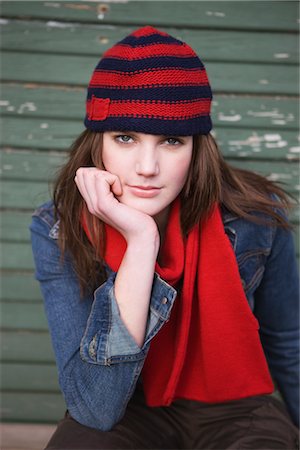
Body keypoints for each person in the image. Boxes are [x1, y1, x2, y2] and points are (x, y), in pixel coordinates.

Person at [30, 26, 299, 449]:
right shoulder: (57, 226)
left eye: (172, 140)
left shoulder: (255, 216)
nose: (147, 167)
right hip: (125, 407)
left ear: (197, 147)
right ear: (97, 144)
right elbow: (96, 408)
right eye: (125, 138)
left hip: (236, 408)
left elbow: (288, 341)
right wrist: (140, 243)